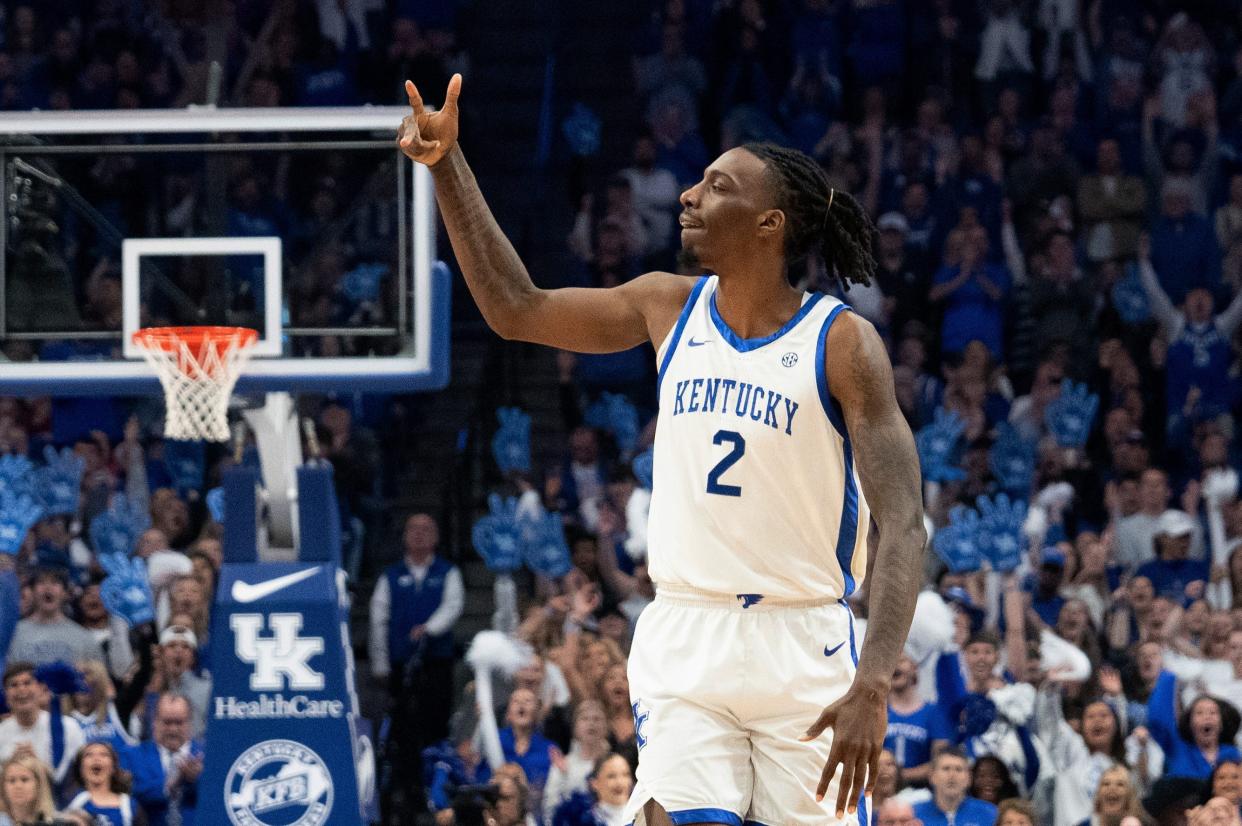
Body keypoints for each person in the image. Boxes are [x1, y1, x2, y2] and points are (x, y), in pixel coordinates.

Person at [400, 73, 924, 826]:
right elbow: (517, 309)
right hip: (685, 635)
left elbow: (903, 523)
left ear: (770, 223)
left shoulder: (842, 343)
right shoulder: (666, 305)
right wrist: (448, 168)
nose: (689, 196)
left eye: (716, 187)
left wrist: (874, 682)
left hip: (804, 640)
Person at [368, 512, 463, 752]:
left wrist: (429, 629)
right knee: (402, 724)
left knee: (437, 721)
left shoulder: (448, 572)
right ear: (404, 536)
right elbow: (378, 619)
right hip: (401, 662)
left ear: (436, 537)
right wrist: (380, 663)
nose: (419, 534)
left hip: (437, 661)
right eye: (413, 529)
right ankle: (406, 783)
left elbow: (453, 606)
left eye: (426, 529)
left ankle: (436, 779)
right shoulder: (390, 575)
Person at [121, 693, 202, 826]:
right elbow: (131, 794)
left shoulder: (207, 756)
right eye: (167, 722)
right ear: (155, 722)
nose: (173, 729)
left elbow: (219, 796)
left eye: (179, 722)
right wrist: (170, 786)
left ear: (190, 723)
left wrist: (196, 780)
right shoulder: (132, 755)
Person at [0, 661, 86, 784]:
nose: (21, 689)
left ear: (41, 689)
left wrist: (37, 765)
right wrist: (10, 766)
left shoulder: (68, 727)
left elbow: (79, 776)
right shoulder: (1, 733)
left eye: (27, 683)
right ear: (6, 695)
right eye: (13, 685)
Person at [6, 567, 103, 667]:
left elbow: (98, 678)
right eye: (41, 582)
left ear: (65, 593)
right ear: (32, 591)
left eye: (55, 582)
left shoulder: (84, 637)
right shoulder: (13, 634)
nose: (48, 587)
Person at [885, 655, 950, 785]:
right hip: (878, 788)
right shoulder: (875, 710)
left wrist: (902, 776)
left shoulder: (933, 713)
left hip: (920, 790)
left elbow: (940, 760)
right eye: (890, 661)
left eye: (901, 661)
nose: (895, 666)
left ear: (914, 667)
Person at [912, 750, 999, 826]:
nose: (952, 775)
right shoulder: (913, 814)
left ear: (969, 778)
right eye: (946, 769)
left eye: (958, 769)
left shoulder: (990, 813)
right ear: (932, 776)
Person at [66, 742, 144, 826]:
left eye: (104, 754)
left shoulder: (130, 806)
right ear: (80, 767)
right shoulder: (69, 801)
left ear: (113, 767)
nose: (96, 758)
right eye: (89, 755)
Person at [0, 754, 59, 826]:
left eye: (24, 779)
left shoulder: (54, 823)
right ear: (3, 787)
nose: (18, 786)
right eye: (12, 780)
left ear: (38, 785)